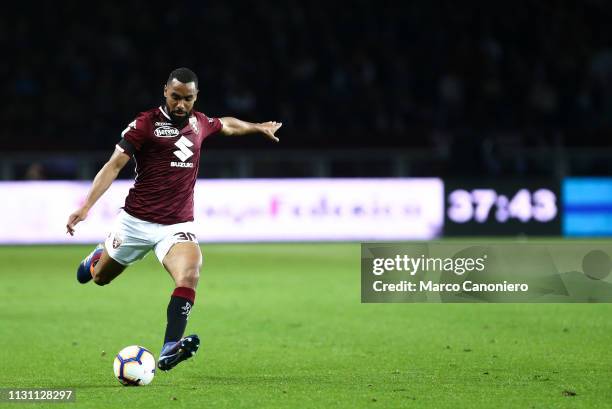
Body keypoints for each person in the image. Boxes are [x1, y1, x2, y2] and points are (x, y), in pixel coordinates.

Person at [66, 67, 282, 371]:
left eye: (188, 99)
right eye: (176, 97)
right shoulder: (144, 125)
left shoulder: (200, 122)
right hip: (135, 223)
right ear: (165, 91)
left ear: (195, 98)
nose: (181, 104)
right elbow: (114, 165)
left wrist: (258, 126)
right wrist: (86, 206)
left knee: (190, 273)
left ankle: (169, 347)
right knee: (100, 278)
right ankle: (96, 259)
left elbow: (229, 125)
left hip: (177, 226)